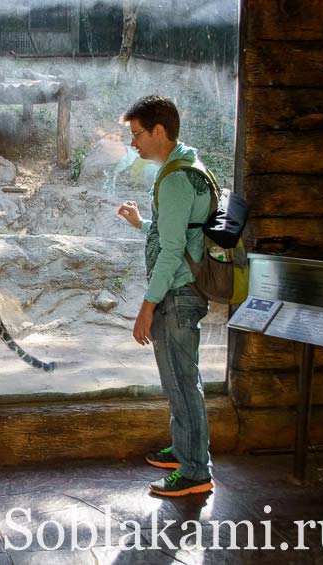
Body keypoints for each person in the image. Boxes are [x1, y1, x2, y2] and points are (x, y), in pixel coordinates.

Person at [117, 95, 214, 497]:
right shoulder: (187, 166)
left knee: (181, 383)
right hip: (183, 290)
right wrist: (143, 224)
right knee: (182, 379)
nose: (134, 144)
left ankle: (194, 472)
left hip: (177, 295)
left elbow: (173, 250)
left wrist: (146, 307)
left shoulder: (176, 177)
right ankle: (185, 451)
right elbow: (179, 231)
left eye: (137, 134)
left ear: (159, 131)